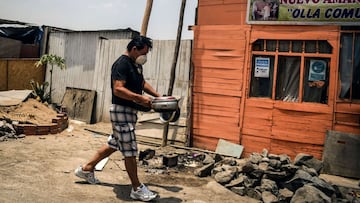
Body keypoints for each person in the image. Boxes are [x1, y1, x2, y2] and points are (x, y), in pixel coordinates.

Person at [74, 36, 161, 202]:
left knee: (113, 144)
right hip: (121, 111)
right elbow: (118, 90)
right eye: (143, 52)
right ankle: (136, 188)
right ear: (134, 49)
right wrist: (141, 99)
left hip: (129, 111)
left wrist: (158, 96)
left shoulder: (136, 65)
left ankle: (86, 169)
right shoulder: (122, 63)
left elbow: (141, 83)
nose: (145, 57)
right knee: (130, 150)